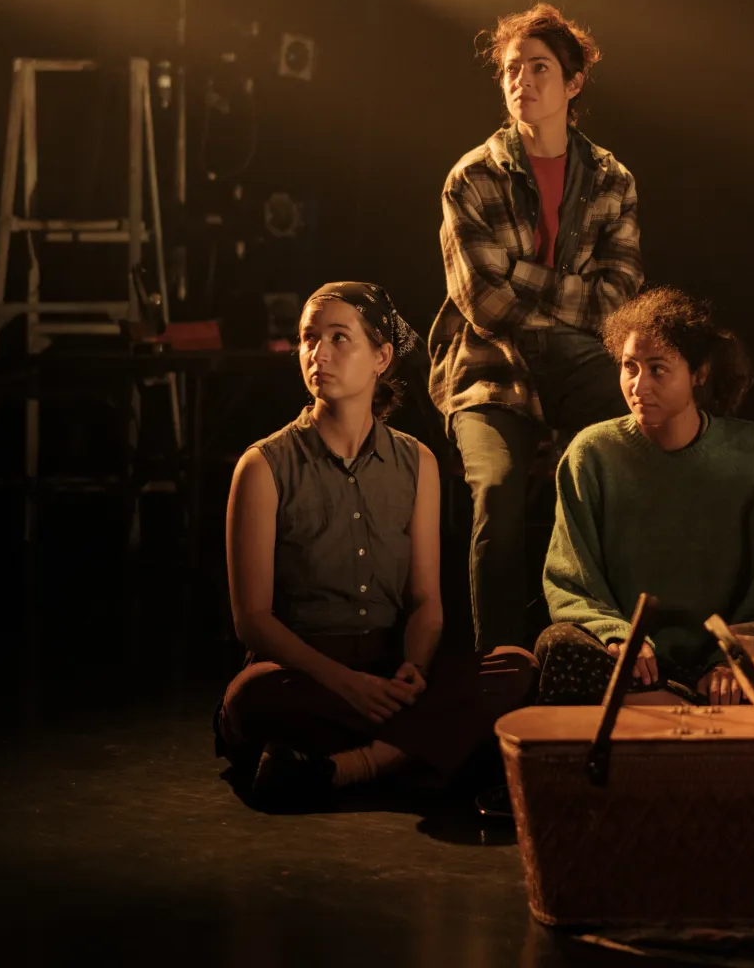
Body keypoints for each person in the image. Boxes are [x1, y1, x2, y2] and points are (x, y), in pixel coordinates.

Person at [218, 282, 538, 811]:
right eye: (309, 338)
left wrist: (414, 667)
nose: (318, 353)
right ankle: (415, 754)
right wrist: (348, 685)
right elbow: (252, 621)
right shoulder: (263, 465)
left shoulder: (417, 462)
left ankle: (346, 768)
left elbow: (426, 602)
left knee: (516, 669)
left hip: (389, 668)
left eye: (338, 338)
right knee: (250, 697)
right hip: (307, 675)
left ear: (382, 357)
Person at [428, 4, 643, 654]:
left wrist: (522, 272)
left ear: (573, 83)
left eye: (539, 67)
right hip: (490, 368)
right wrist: (566, 295)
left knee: (631, 460)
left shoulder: (611, 179)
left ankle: (608, 643)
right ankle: (499, 661)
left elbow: (619, 302)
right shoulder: (471, 177)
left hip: (580, 362)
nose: (521, 80)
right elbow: (484, 303)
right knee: (497, 492)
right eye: (511, 69)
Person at [537, 287, 754, 705]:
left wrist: (732, 660)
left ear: (698, 373)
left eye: (658, 369)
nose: (638, 385)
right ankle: (679, 709)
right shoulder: (591, 454)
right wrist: (618, 636)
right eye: (629, 367)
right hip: (631, 665)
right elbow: (570, 580)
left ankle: (668, 710)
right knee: (558, 645)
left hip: (723, 666)